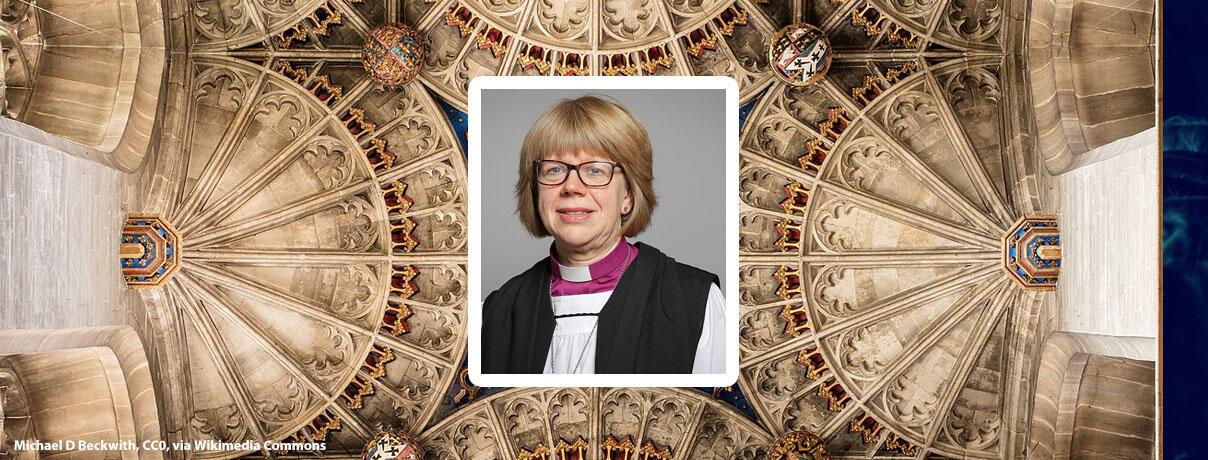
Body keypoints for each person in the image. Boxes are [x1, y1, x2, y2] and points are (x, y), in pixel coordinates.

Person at [481, 95, 726, 374]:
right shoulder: (493, 313)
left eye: (595, 170)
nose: (571, 186)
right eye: (554, 170)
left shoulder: (695, 301)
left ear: (629, 196)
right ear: (536, 191)